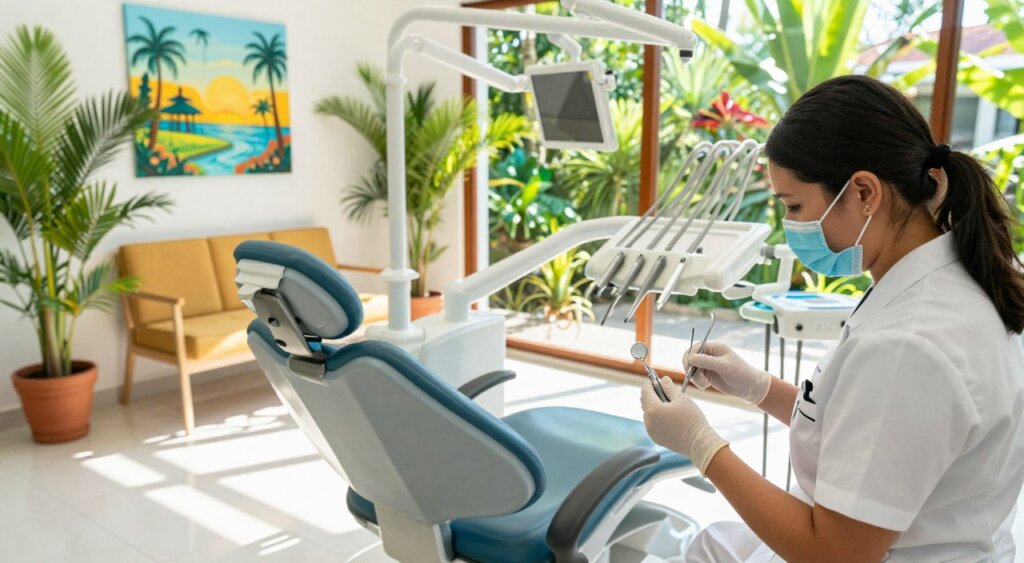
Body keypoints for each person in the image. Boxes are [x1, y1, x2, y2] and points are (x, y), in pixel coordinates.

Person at [640, 75, 1024, 562]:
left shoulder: (910, 344)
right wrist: (758, 388)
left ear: (864, 192)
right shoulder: (955, 273)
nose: (793, 226)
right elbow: (874, 431)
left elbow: (834, 552)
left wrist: (700, 444)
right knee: (713, 543)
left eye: (795, 206)